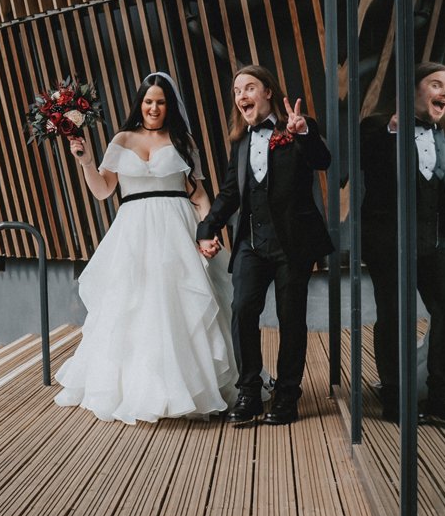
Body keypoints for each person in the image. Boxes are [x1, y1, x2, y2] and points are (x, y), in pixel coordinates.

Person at [55, 72, 235, 424]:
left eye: (161, 102)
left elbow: (198, 195)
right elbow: (103, 190)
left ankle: (192, 389)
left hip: (177, 230)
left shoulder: (182, 140)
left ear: (169, 106)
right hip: (133, 233)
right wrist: (86, 160)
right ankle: (141, 390)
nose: (154, 108)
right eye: (149, 101)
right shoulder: (121, 140)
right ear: (140, 103)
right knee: (134, 307)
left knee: (181, 306)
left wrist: (208, 231)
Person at [196, 65, 333, 426]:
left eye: (249, 88)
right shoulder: (241, 141)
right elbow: (230, 192)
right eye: (237, 91)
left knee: (291, 318)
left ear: (268, 91)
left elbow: (323, 160)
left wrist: (303, 133)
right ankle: (249, 391)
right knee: (242, 310)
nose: (241, 95)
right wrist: (207, 228)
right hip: (251, 243)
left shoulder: (298, 127)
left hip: (293, 243)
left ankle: (287, 394)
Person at [359, 62, 445, 425]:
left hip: (437, 239)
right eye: (437, 84)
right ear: (411, 89)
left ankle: (442, 394)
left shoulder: (444, 138)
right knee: (394, 316)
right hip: (389, 241)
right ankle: (395, 396)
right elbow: (364, 162)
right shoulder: (376, 127)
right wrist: (393, 130)